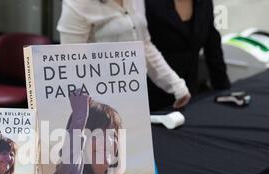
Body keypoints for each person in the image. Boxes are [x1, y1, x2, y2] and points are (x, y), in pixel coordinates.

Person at [57, 0, 192, 110]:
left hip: (135, 97)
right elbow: (70, 64)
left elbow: (145, 47)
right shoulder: (78, 4)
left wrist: (176, 85)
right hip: (99, 106)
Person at [145, 0, 231, 109]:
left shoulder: (204, 3)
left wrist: (224, 91)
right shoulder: (149, 4)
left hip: (192, 95)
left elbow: (213, 48)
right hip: (155, 98)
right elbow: (145, 49)